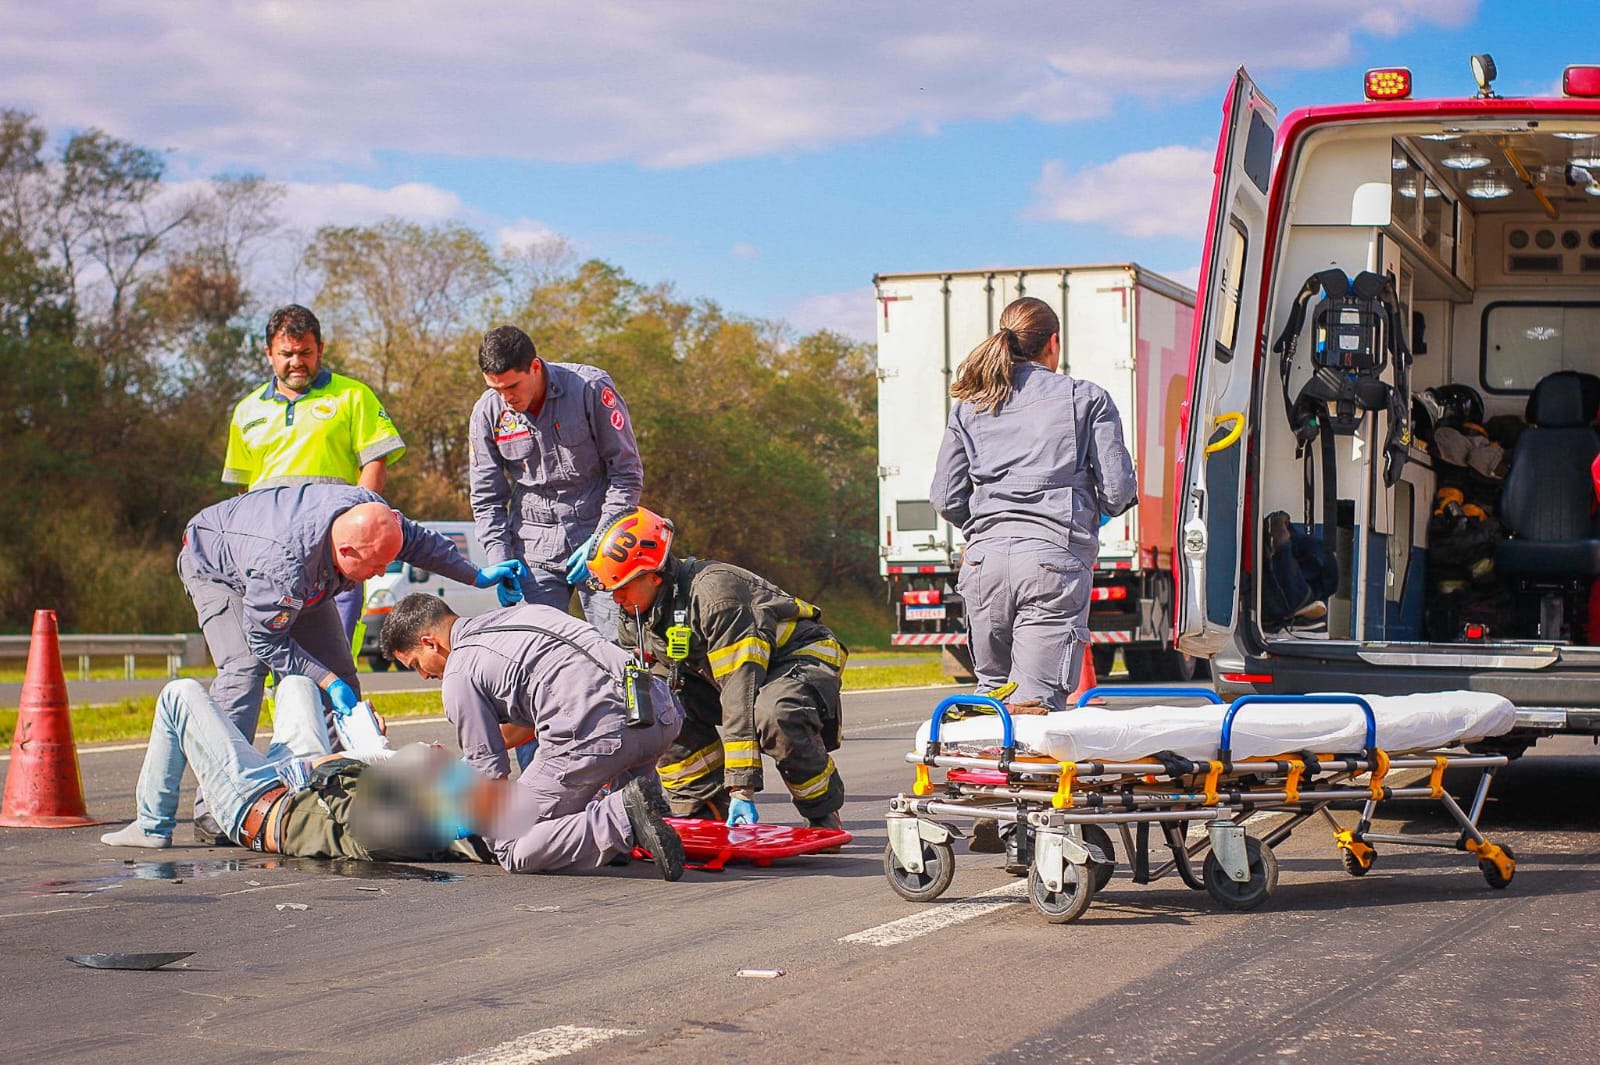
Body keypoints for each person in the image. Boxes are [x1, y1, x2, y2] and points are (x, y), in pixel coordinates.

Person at [179, 483, 527, 841]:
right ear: (345, 550)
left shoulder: (375, 517)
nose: (379, 574)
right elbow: (265, 639)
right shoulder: (281, 566)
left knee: (341, 668)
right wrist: (325, 682)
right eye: (375, 565)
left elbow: (421, 543)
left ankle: (337, 790)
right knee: (246, 670)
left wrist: (476, 575)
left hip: (304, 568)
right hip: (217, 567)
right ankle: (215, 807)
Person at [98, 677, 672, 873]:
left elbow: (366, 817)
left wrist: (350, 759)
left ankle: (152, 822)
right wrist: (362, 749)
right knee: (298, 687)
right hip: (304, 782)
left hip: (260, 801)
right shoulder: (450, 812)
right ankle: (621, 816)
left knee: (185, 694)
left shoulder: (414, 820)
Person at [379, 593, 686, 879]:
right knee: (592, 796)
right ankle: (633, 819)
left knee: (508, 842)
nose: (423, 676)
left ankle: (622, 818)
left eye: (416, 664)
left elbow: (490, 778)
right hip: (658, 715)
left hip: (602, 737)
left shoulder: (459, 672)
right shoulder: (527, 614)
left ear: (429, 642)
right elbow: (527, 720)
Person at [930, 296, 1136, 714]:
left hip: (983, 565)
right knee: (1035, 705)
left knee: (992, 698)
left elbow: (946, 497)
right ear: (1053, 343)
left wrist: (988, 527)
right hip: (1052, 564)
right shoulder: (1086, 398)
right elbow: (1118, 492)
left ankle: (979, 778)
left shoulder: (970, 406)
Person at [582, 507, 847, 830]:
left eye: (622, 587)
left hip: (796, 658)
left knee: (775, 713)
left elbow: (739, 689)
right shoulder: (638, 616)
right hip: (721, 676)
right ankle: (703, 810)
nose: (615, 598)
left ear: (653, 575)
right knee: (662, 708)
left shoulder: (716, 597)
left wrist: (742, 789)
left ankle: (821, 811)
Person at [222, 304, 406, 641]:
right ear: (268, 354)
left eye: (305, 352)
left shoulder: (353, 396)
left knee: (336, 654)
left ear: (320, 349)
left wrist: (358, 529)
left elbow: (376, 461)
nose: (296, 362)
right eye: (286, 353)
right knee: (276, 651)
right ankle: (282, 696)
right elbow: (242, 494)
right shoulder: (246, 410)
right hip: (272, 558)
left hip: (335, 555)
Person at [469, 325, 643, 639]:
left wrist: (602, 538)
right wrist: (500, 559)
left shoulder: (590, 389)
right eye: (496, 389)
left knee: (617, 648)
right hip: (533, 549)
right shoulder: (487, 412)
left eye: (512, 386)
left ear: (535, 366)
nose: (506, 398)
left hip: (600, 540)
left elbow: (626, 473)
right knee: (538, 651)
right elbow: (487, 499)